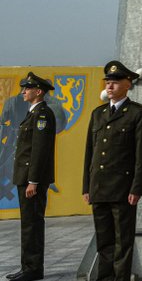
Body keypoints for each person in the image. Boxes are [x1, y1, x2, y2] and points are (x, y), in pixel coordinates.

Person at [82, 61, 142, 281]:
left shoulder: (137, 113)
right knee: (104, 241)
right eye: (108, 82)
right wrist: (87, 186)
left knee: (123, 242)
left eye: (115, 82)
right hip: (99, 187)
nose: (109, 86)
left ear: (128, 85)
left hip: (123, 189)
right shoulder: (98, 113)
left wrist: (137, 187)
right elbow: (89, 154)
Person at [7, 73, 56, 281]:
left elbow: (39, 150)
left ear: (39, 91)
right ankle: (27, 266)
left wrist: (33, 181)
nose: (23, 92)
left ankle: (33, 269)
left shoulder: (43, 115)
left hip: (31, 180)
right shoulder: (32, 114)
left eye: (27, 88)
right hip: (25, 177)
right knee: (27, 224)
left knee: (32, 224)